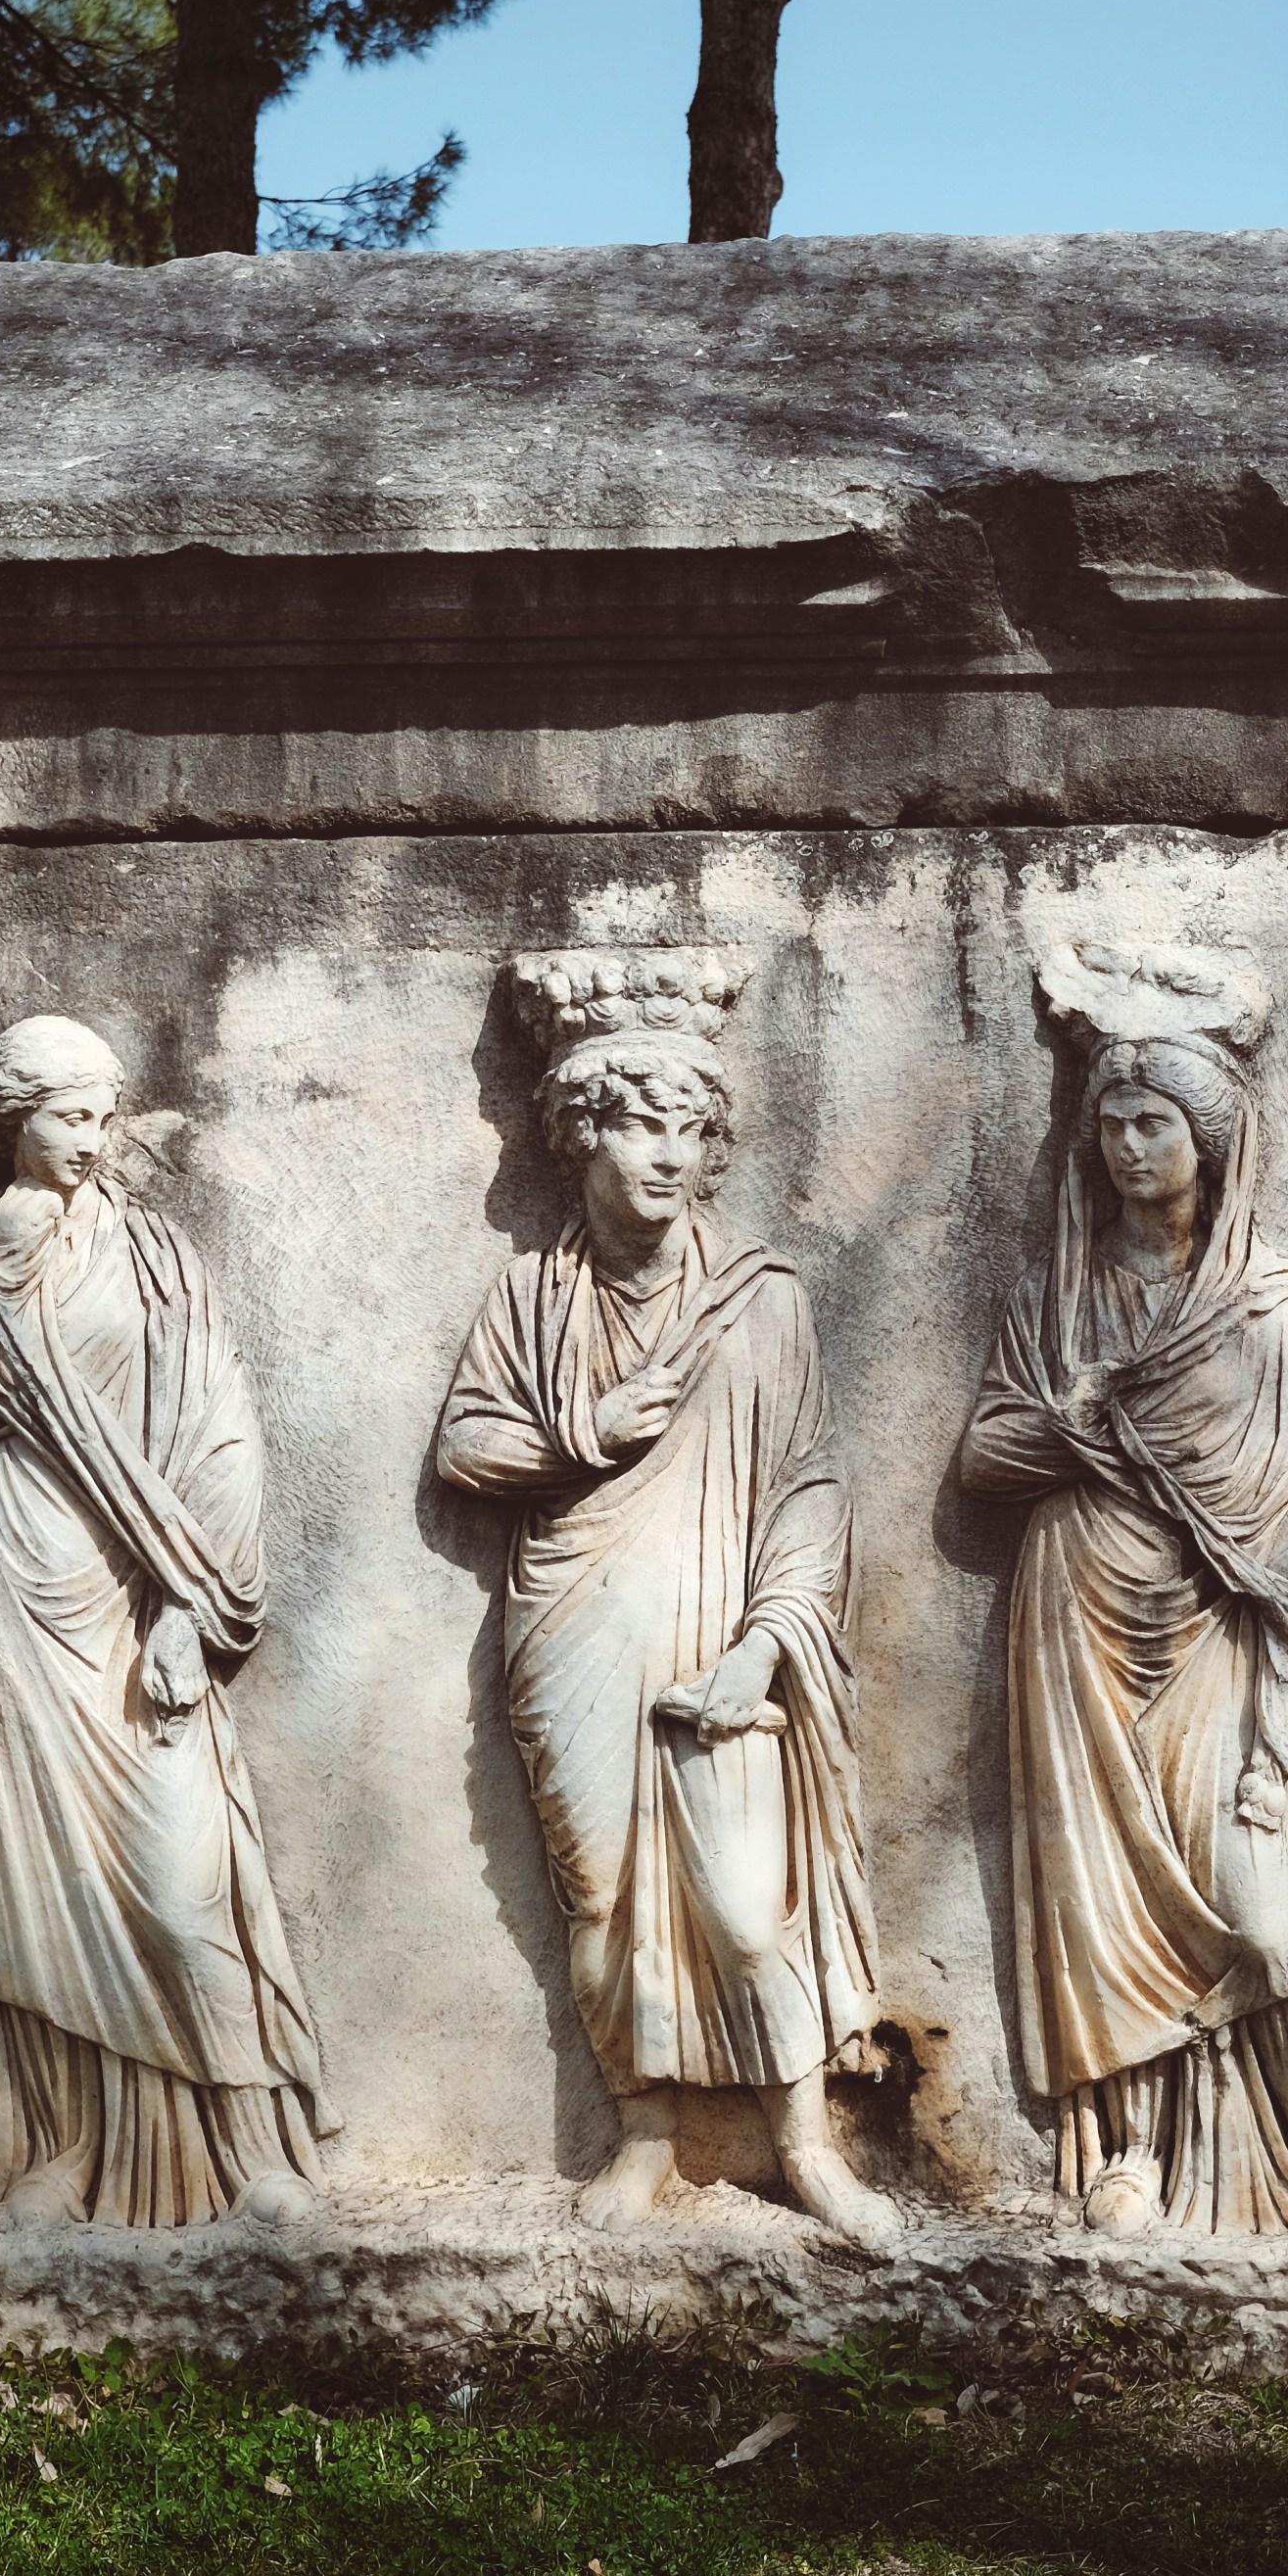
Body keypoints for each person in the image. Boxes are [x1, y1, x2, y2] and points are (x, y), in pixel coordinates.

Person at [433, 949, 895, 2241]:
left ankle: (804, 2142)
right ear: (579, 1134)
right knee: (603, 1905)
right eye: (638, 1122)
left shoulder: (761, 1301)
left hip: (721, 1642)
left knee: (749, 1913)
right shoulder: (534, 1299)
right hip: (576, 1627)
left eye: (691, 1129)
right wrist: (585, 1429)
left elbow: (808, 1490)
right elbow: (465, 1449)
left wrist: (765, 1648)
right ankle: (642, 2132)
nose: (667, 1154)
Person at [955, 942, 1288, 2240]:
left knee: (1262, 1909)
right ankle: (1129, 2160)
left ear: (1210, 1142)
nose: (1128, 1148)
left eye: (1156, 1124)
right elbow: (985, 1453)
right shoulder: (1057, 1295)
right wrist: (1080, 1437)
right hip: (1081, 1620)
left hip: (1222, 1636)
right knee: (1109, 1906)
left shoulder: (1272, 1307)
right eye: (1110, 1124)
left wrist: (1276, 1707)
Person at [0, 1015, 325, 2227]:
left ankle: (251, 2146)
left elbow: (219, 1431)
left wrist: (194, 1605)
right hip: (0, 1583)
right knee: (38, 1877)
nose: (91, 1141)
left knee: (179, 1878)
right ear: (9, 1120)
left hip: (133, 1586)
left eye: (103, 1116)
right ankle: (69, 2145)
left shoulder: (157, 1258)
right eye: (68, 1116)